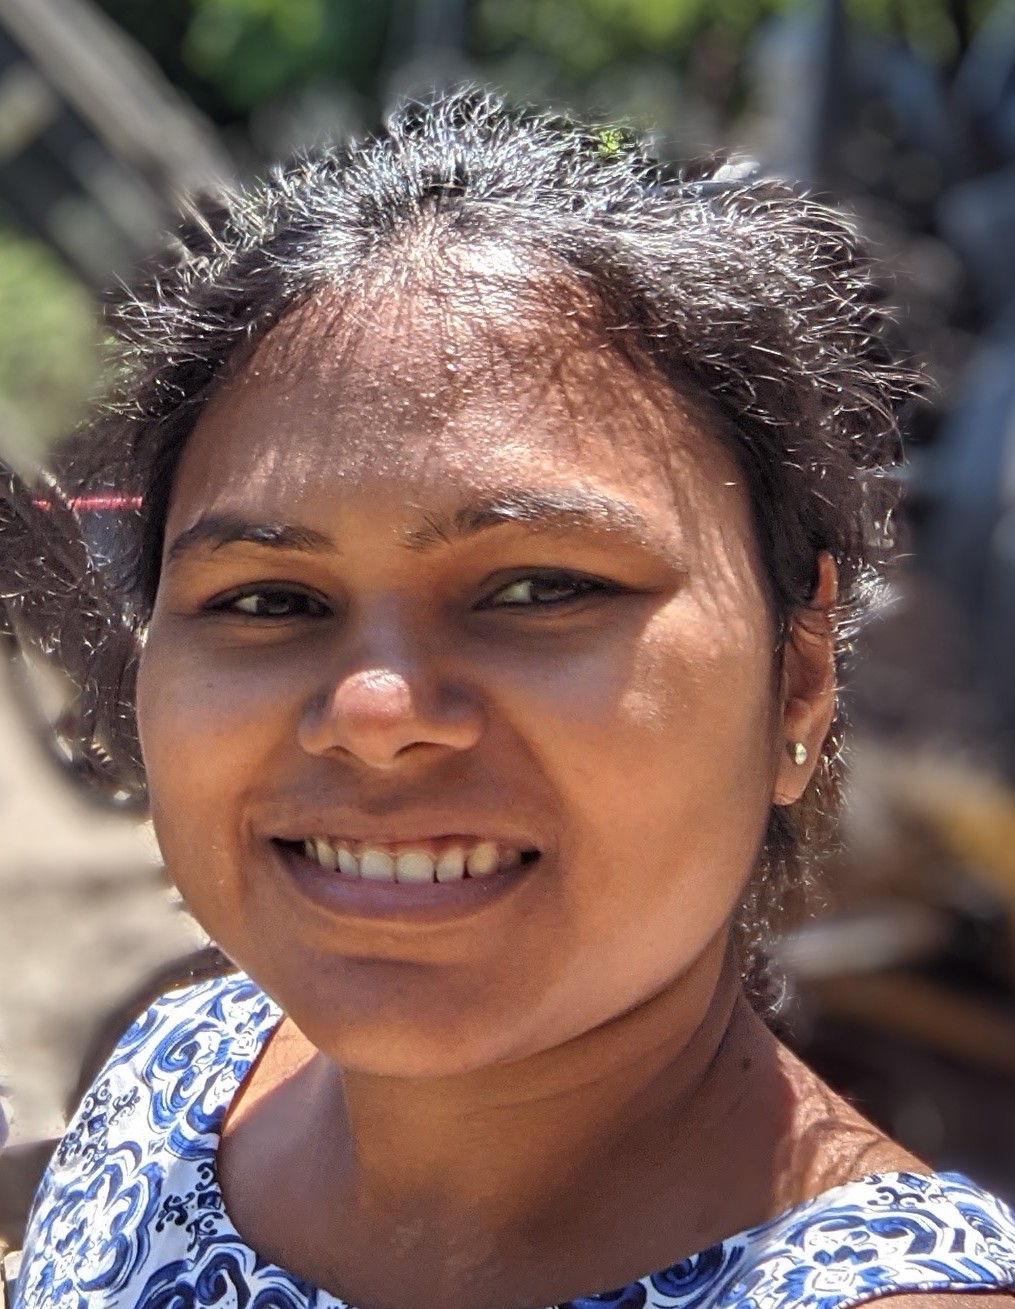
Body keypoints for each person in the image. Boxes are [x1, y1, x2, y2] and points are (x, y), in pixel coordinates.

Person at [8, 92, 1015, 1309]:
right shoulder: (176, 1074)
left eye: (539, 587)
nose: (375, 707)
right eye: (268, 600)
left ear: (795, 676)